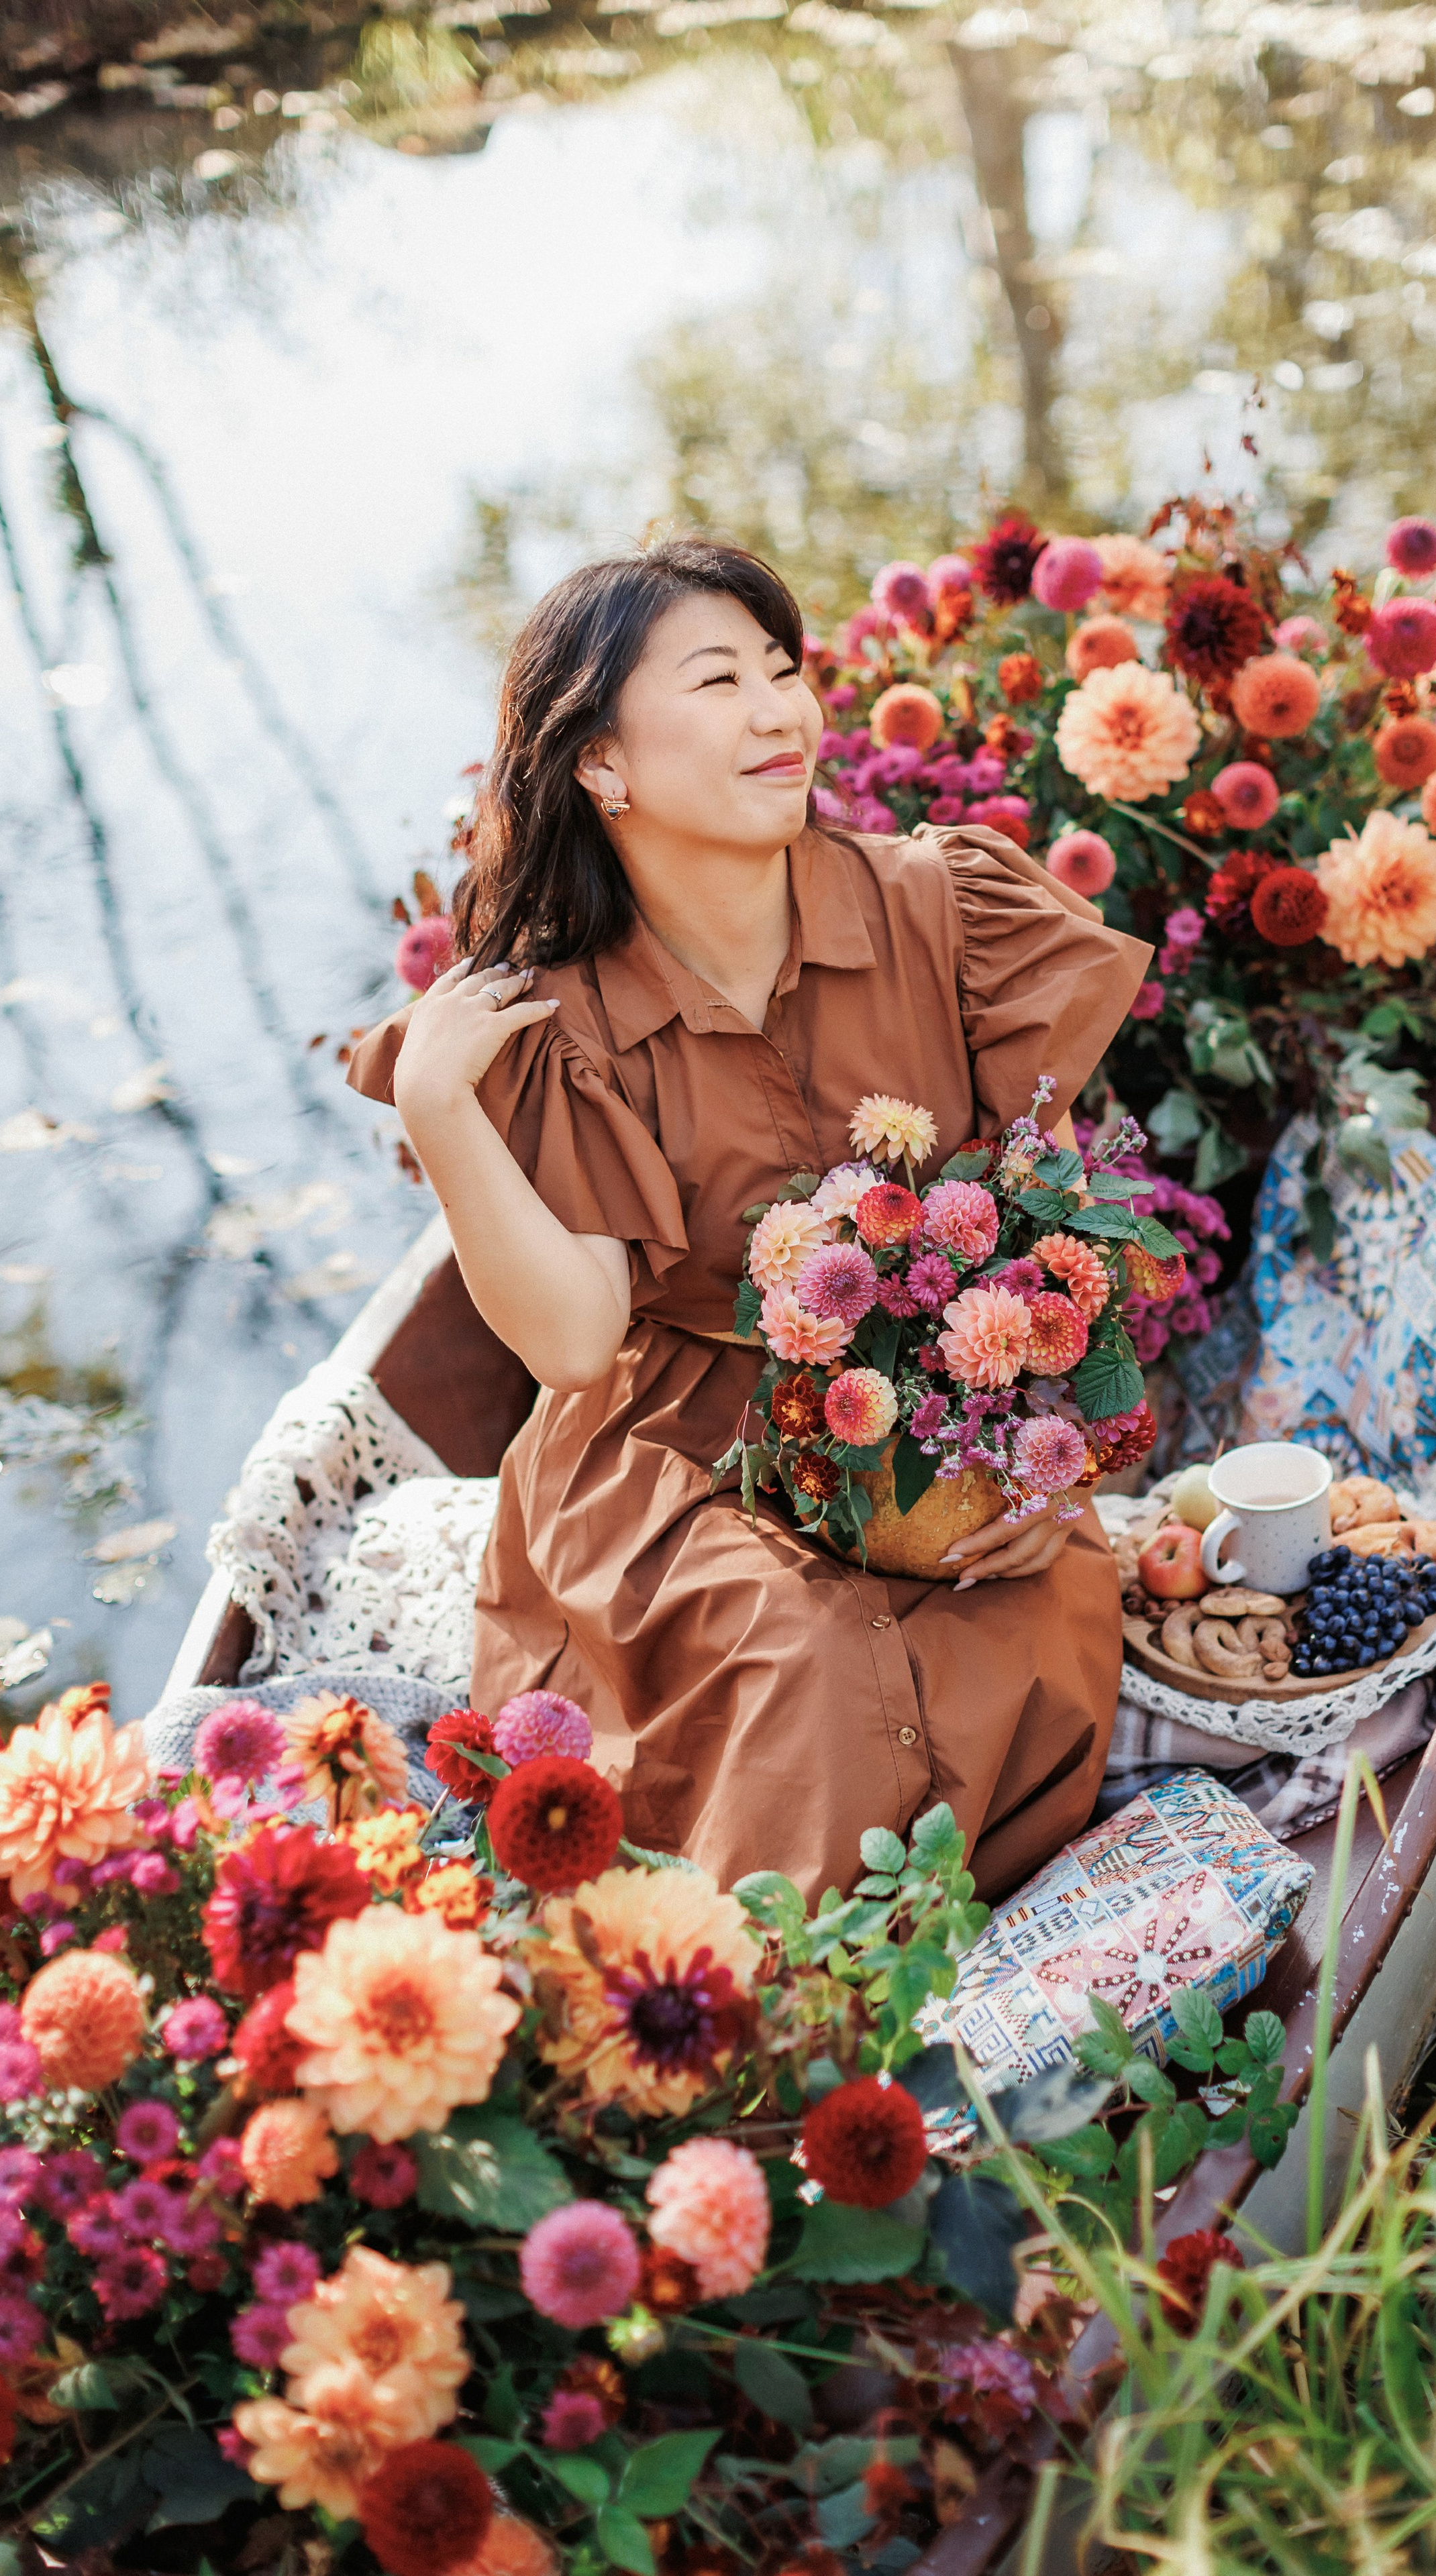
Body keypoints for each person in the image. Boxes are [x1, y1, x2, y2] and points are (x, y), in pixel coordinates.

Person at [349, 537, 1151, 1900]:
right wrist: (441, 1106)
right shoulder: (568, 1015)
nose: (782, 710)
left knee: (1029, 1603)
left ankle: (910, 1941)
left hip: (929, 1398)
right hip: (671, 1439)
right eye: (719, 681)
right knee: (805, 1669)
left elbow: (1053, 1231)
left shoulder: (939, 905)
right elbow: (572, 1340)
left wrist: (1045, 1461)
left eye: (783, 671)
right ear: (601, 764)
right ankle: (770, 2015)